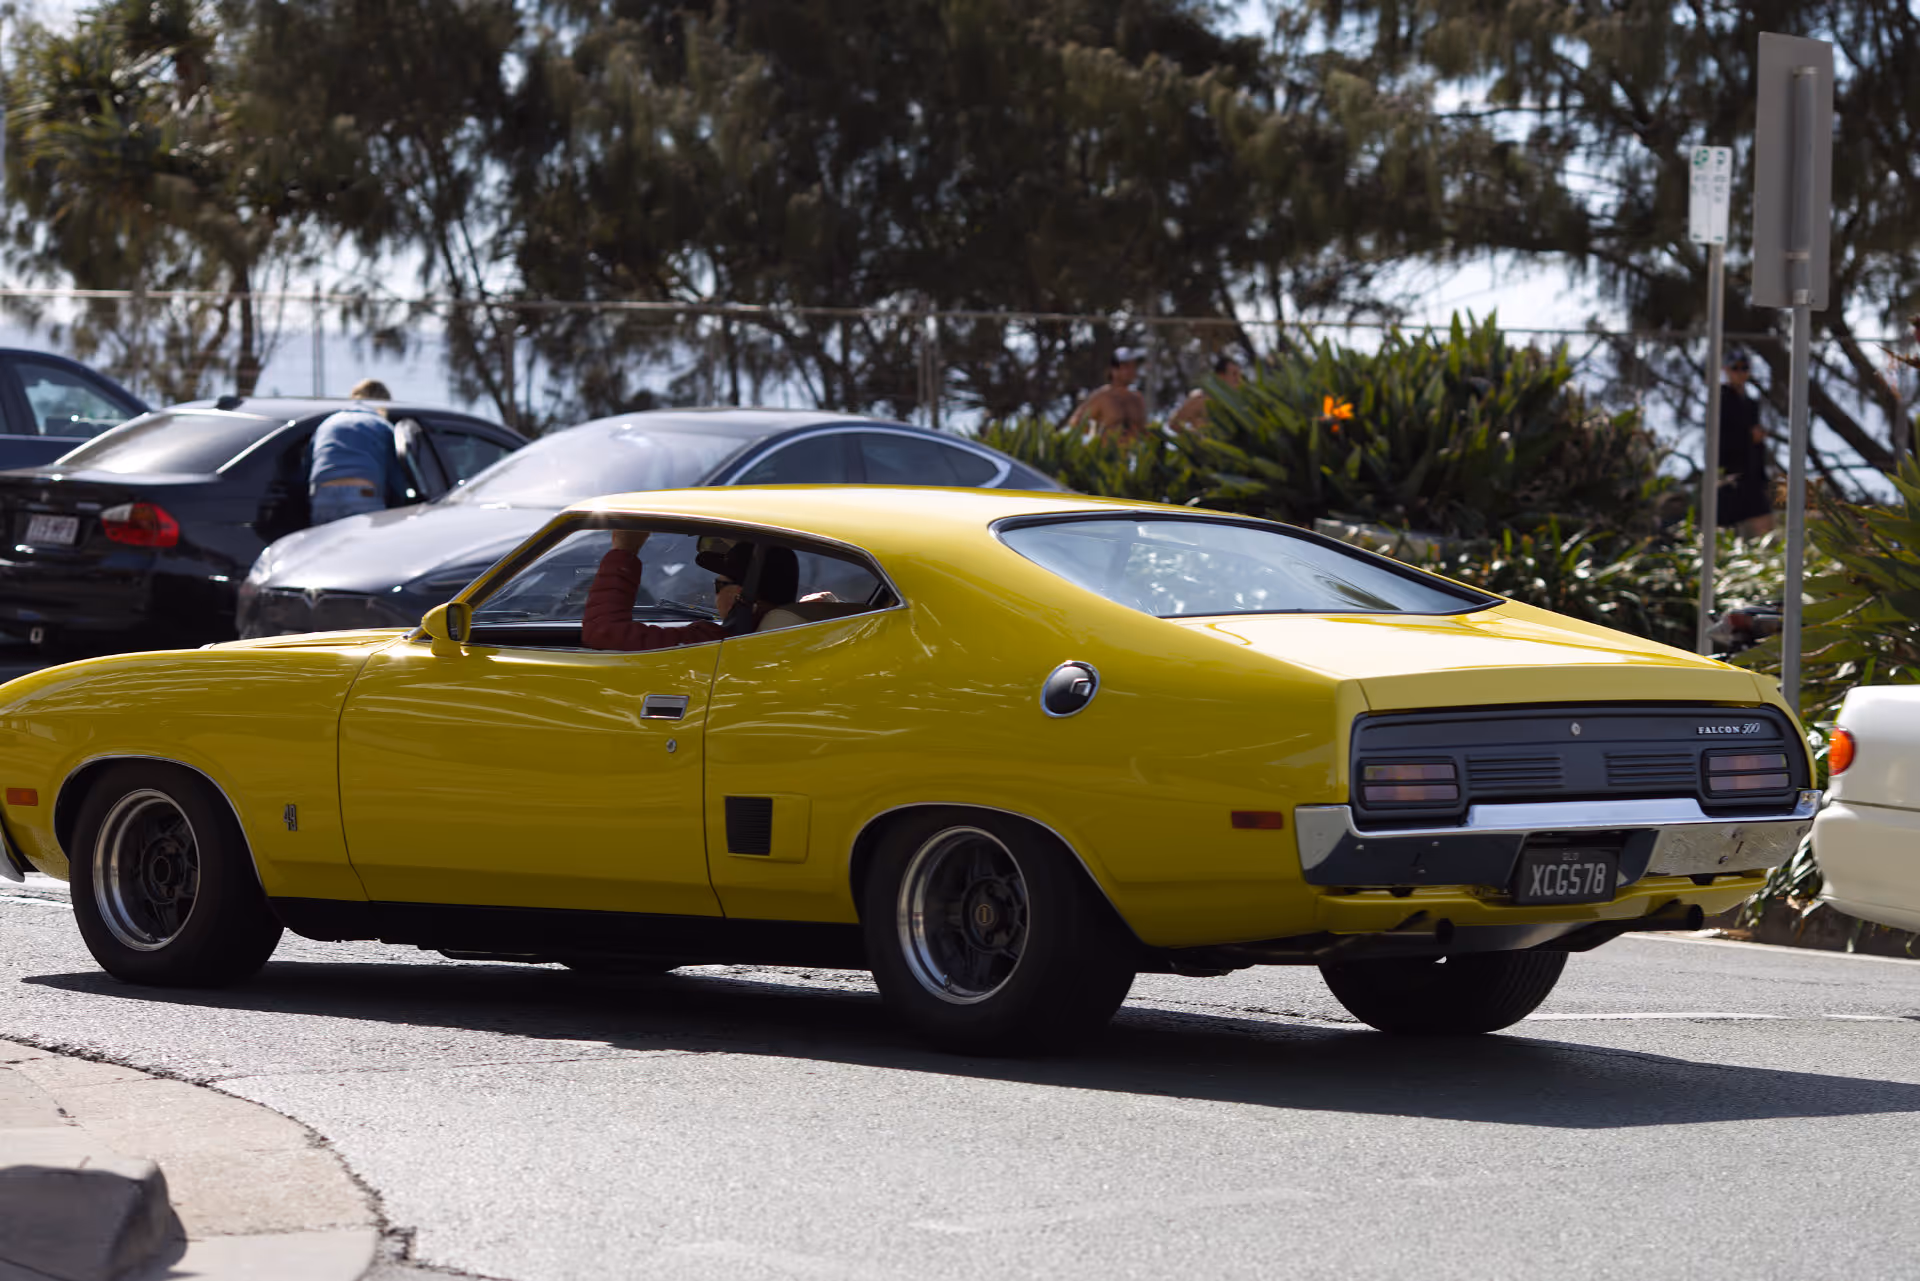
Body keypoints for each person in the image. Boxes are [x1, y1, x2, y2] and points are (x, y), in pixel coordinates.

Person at [582, 532, 798, 651]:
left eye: (719, 586)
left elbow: (604, 632)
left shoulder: (715, 642)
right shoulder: (799, 632)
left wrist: (624, 549)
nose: (715, 597)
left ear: (737, 596)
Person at [309, 379, 400, 525]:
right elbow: (396, 474)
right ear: (384, 403)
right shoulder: (382, 425)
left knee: (328, 547)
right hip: (363, 494)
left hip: (322, 496)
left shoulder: (328, 423)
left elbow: (308, 466)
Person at [1716, 352, 1774, 537]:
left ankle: (1767, 561)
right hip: (1729, 472)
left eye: (1744, 368)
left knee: (1764, 521)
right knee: (1724, 527)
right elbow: (1719, 435)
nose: (1740, 373)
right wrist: (1748, 436)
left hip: (1752, 472)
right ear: (1726, 370)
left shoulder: (1751, 403)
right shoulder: (1721, 399)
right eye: (1735, 368)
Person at [1067, 347, 1150, 443]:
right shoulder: (1102, 397)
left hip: (1132, 455)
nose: (1132, 371)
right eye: (1127, 367)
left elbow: (1144, 431)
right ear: (1114, 370)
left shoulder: (1137, 399)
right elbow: (1075, 422)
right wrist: (1095, 437)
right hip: (1107, 455)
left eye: (1134, 366)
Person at [1168, 354, 1244, 433]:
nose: (1238, 379)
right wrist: (1197, 435)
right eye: (1234, 374)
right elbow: (1174, 424)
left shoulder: (1240, 403)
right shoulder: (1202, 398)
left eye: (1240, 375)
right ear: (1220, 376)